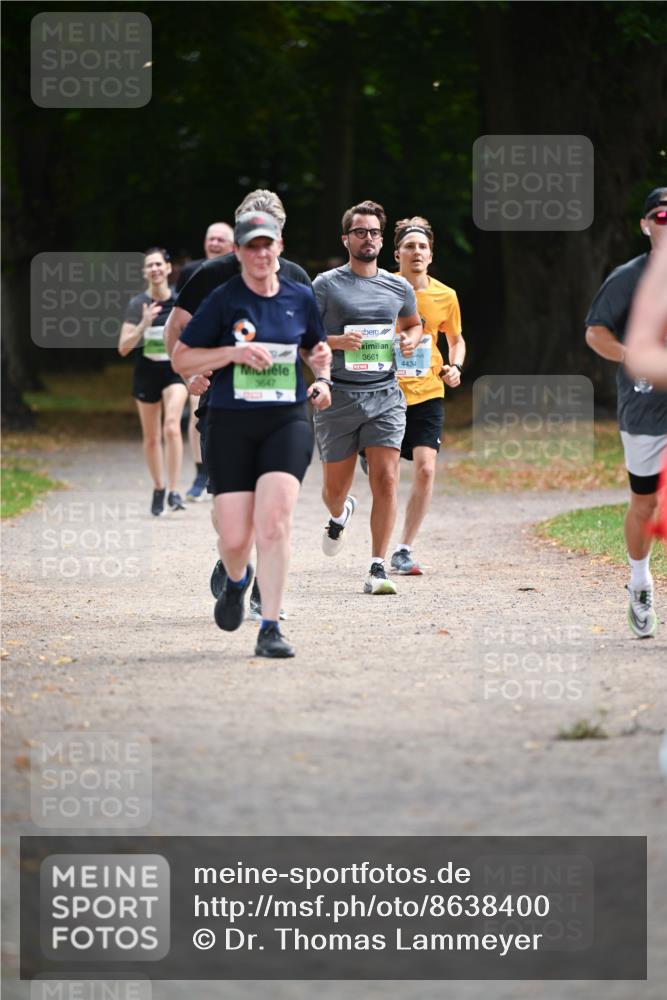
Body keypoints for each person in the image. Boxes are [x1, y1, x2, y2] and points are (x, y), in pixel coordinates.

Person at [171, 212, 332, 658]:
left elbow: (316, 349)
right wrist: (232, 352)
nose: (261, 253)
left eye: (268, 244)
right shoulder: (223, 299)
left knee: (275, 523)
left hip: (285, 421)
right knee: (236, 537)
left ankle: (270, 626)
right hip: (230, 422)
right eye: (251, 246)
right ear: (239, 252)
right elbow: (183, 359)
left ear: (279, 246)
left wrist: (323, 379)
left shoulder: (300, 296)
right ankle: (237, 579)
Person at [312, 199, 423, 595]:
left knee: (387, 479)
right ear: (347, 238)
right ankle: (340, 515)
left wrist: (408, 341)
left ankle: (378, 566)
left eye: (375, 232)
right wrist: (338, 341)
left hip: (385, 396)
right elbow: (304, 339)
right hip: (338, 397)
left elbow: (412, 324)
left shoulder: (398, 286)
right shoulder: (325, 284)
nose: (369, 238)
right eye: (360, 232)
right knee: (333, 492)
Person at [585, 186, 667, 638]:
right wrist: (629, 354)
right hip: (644, 411)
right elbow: (595, 332)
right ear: (646, 224)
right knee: (646, 502)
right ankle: (639, 582)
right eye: (660, 217)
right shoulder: (628, 277)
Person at [388, 216, 465, 575]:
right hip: (384, 393)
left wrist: (455, 367)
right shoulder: (382, 290)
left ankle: (404, 549)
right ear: (397, 254)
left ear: (430, 256)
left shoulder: (445, 295)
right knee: (384, 475)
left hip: (428, 392)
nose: (416, 252)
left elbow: (456, 340)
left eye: (422, 247)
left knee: (426, 469)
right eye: (409, 246)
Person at [118, 248, 188, 516]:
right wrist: (142, 325)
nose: (155, 269)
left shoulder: (181, 302)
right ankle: (158, 488)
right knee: (151, 438)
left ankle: (173, 490)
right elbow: (123, 348)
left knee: (171, 426)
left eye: (159, 264)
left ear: (169, 268)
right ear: (145, 272)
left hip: (174, 372)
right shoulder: (138, 305)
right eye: (150, 266)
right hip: (146, 373)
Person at [176, 222, 235, 502]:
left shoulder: (238, 271)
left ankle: (210, 473)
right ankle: (201, 472)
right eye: (210, 238)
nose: (214, 243)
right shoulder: (193, 272)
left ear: (233, 244)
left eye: (220, 239)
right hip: (198, 352)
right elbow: (176, 314)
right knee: (196, 409)